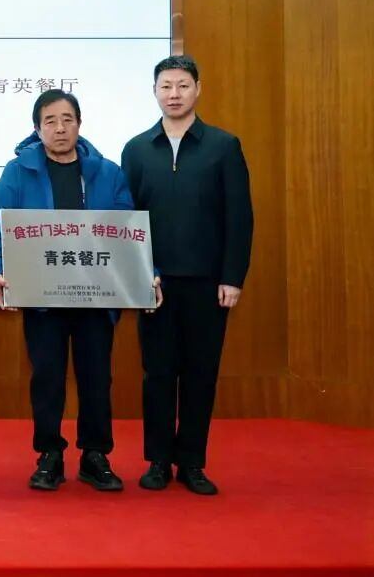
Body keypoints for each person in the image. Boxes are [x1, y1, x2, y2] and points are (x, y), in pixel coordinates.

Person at [0, 89, 159, 492]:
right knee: (46, 378)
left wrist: (147, 274)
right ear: (37, 129)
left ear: (80, 124)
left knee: (96, 378)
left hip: (97, 297)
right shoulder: (18, 172)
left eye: (67, 119)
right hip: (42, 298)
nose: (60, 128)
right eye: (50, 121)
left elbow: (128, 233)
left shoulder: (107, 172)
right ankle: (49, 455)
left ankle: (95, 455)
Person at [121, 55, 253, 496]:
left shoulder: (223, 146)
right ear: (154, 92)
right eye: (165, 86)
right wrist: (137, 276)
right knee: (157, 373)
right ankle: (158, 460)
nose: (173, 94)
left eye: (182, 85)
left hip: (208, 283)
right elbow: (127, 220)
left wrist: (232, 277)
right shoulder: (137, 149)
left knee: (200, 373)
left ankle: (192, 462)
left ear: (198, 89)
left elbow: (240, 216)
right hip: (154, 283)